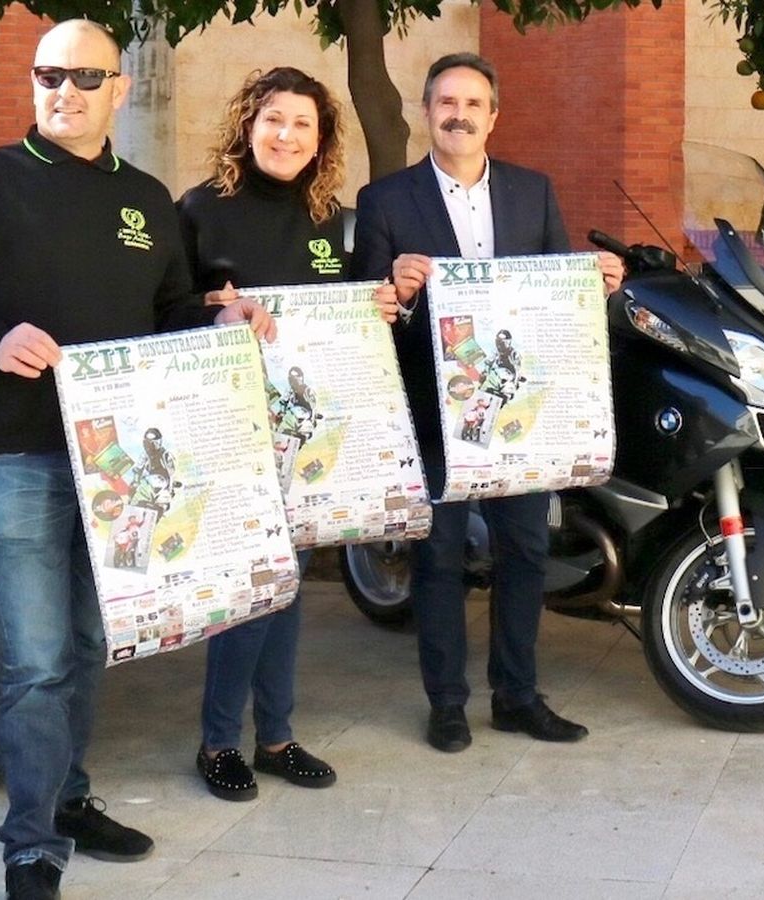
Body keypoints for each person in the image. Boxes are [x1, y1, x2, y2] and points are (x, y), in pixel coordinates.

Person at [0, 20, 276, 900]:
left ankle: (67, 798)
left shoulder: (144, 199)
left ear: (119, 90)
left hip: (120, 467)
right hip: (20, 452)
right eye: (49, 75)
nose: (65, 90)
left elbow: (167, 310)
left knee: (91, 640)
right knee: (34, 659)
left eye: (85, 77)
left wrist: (218, 319)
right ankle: (30, 843)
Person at [351, 52, 623, 753]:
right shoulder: (386, 200)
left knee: (525, 552)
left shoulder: (533, 192)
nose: (459, 115)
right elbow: (366, 312)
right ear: (426, 111)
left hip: (519, 410)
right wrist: (392, 290)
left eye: (473, 104)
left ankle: (517, 697)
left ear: (494, 116)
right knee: (439, 558)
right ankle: (446, 703)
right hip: (434, 409)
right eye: (446, 102)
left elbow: (555, 294)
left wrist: (595, 284)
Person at [176, 66, 399, 802]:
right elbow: (163, 308)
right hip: (227, 425)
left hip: (305, 433)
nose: (286, 134)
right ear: (248, 124)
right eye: (273, 118)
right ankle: (218, 743)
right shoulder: (201, 209)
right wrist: (209, 309)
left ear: (321, 139)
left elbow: (338, 316)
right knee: (248, 587)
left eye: (303, 123)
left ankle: (275, 737)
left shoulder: (326, 217)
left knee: (289, 587)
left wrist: (374, 309)